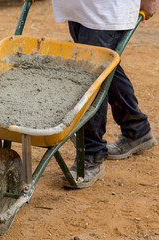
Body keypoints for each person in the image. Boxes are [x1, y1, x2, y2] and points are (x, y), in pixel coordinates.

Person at [51, 0, 159, 188]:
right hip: (78, 7)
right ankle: (136, 129)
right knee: (105, 68)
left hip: (105, 10)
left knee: (92, 74)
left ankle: (92, 154)